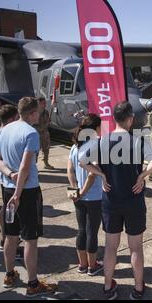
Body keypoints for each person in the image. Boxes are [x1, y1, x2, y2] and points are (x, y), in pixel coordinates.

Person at [79, 101, 152, 300]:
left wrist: (100, 174)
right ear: (130, 119)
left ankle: (108, 287)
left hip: (110, 201)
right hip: (133, 200)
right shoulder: (138, 140)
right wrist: (142, 176)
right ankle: (138, 288)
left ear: (114, 119)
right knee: (135, 247)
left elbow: (82, 160)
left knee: (110, 247)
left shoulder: (102, 141)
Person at [0, 97, 57, 298]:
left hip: (7, 189)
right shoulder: (31, 133)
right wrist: (18, 193)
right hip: (26, 192)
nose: (39, 115)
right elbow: (24, 167)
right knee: (30, 239)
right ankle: (32, 283)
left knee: (11, 236)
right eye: (37, 112)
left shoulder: (3, 130)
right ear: (31, 113)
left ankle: (9, 274)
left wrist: (8, 175)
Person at [67, 114, 104, 276]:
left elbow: (70, 169)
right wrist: (83, 192)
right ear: (95, 129)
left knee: (81, 230)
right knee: (92, 232)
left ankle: (82, 264)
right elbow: (92, 174)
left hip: (77, 197)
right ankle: (92, 266)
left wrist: (75, 190)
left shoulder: (75, 147)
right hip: (93, 197)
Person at [0, 105, 19, 251]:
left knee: (7, 209)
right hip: (11, 178)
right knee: (11, 212)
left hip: (4, 177)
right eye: (16, 118)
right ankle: (9, 240)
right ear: (10, 119)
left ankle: (5, 237)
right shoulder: (7, 132)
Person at [34, 97, 54, 170]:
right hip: (37, 134)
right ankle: (34, 165)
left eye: (45, 103)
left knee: (46, 149)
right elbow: (32, 124)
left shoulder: (46, 112)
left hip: (45, 134)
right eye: (43, 103)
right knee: (35, 150)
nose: (45, 104)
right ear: (38, 103)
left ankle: (46, 163)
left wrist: (48, 122)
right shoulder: (34, 113)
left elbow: (47, 123)